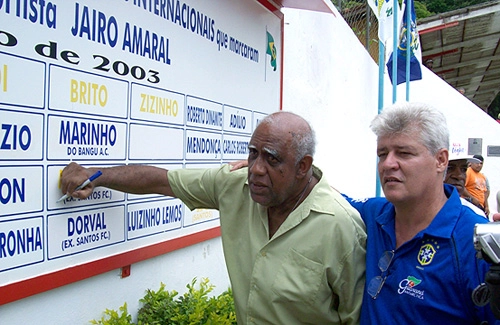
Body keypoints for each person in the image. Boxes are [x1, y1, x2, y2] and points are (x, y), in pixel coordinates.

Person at [60, 111, 367, 325]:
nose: (256, 169)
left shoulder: (339, 226)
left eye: (271, 159)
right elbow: (162, 180)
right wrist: (95, 175)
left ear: (303, 167)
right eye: (253, 154)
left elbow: (358, 316)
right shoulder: (235, 186)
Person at [341, 102, 497, 323]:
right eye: (382, 154)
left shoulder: (475, 243)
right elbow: (325, 197)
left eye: (404, 153)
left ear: (440, 160)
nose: (388, 164)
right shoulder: (372, 213)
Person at [445, 150, 487, 217]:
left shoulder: (476, 214)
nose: (459, 176)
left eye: (464, 169)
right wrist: (473, 199)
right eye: (449, 168)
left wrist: (486, 206)